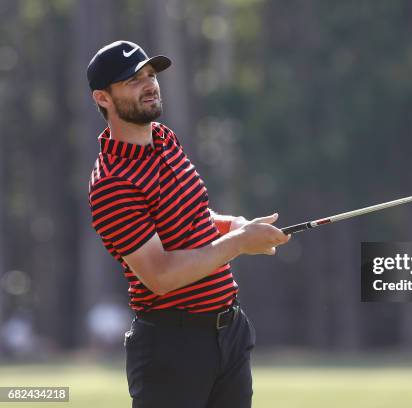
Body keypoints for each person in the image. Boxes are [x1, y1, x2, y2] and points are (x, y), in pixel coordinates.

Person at [86, 40, 290, 408]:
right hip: (172, 349)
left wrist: (235, 225)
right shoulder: (113, 183)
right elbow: (160, 275)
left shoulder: (164, 139)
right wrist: (241, 242)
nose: (149, 84)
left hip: (228, 333)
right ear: (103, 98)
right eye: (133, 80)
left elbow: (194, 216)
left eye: (150, 75)